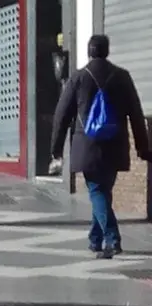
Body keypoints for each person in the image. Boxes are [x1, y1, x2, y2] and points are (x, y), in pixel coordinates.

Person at [50, 34, 150, 259]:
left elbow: (61, 115)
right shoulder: (122, 76)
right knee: (103, 192)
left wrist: (56, 150)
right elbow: (136, 114)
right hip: (115, 145)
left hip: (88, 146)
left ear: (89, 51)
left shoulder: (78, 78)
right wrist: (142, 148)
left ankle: (112, 239)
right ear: (107, 51)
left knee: (97, 192)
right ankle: (95, 239)